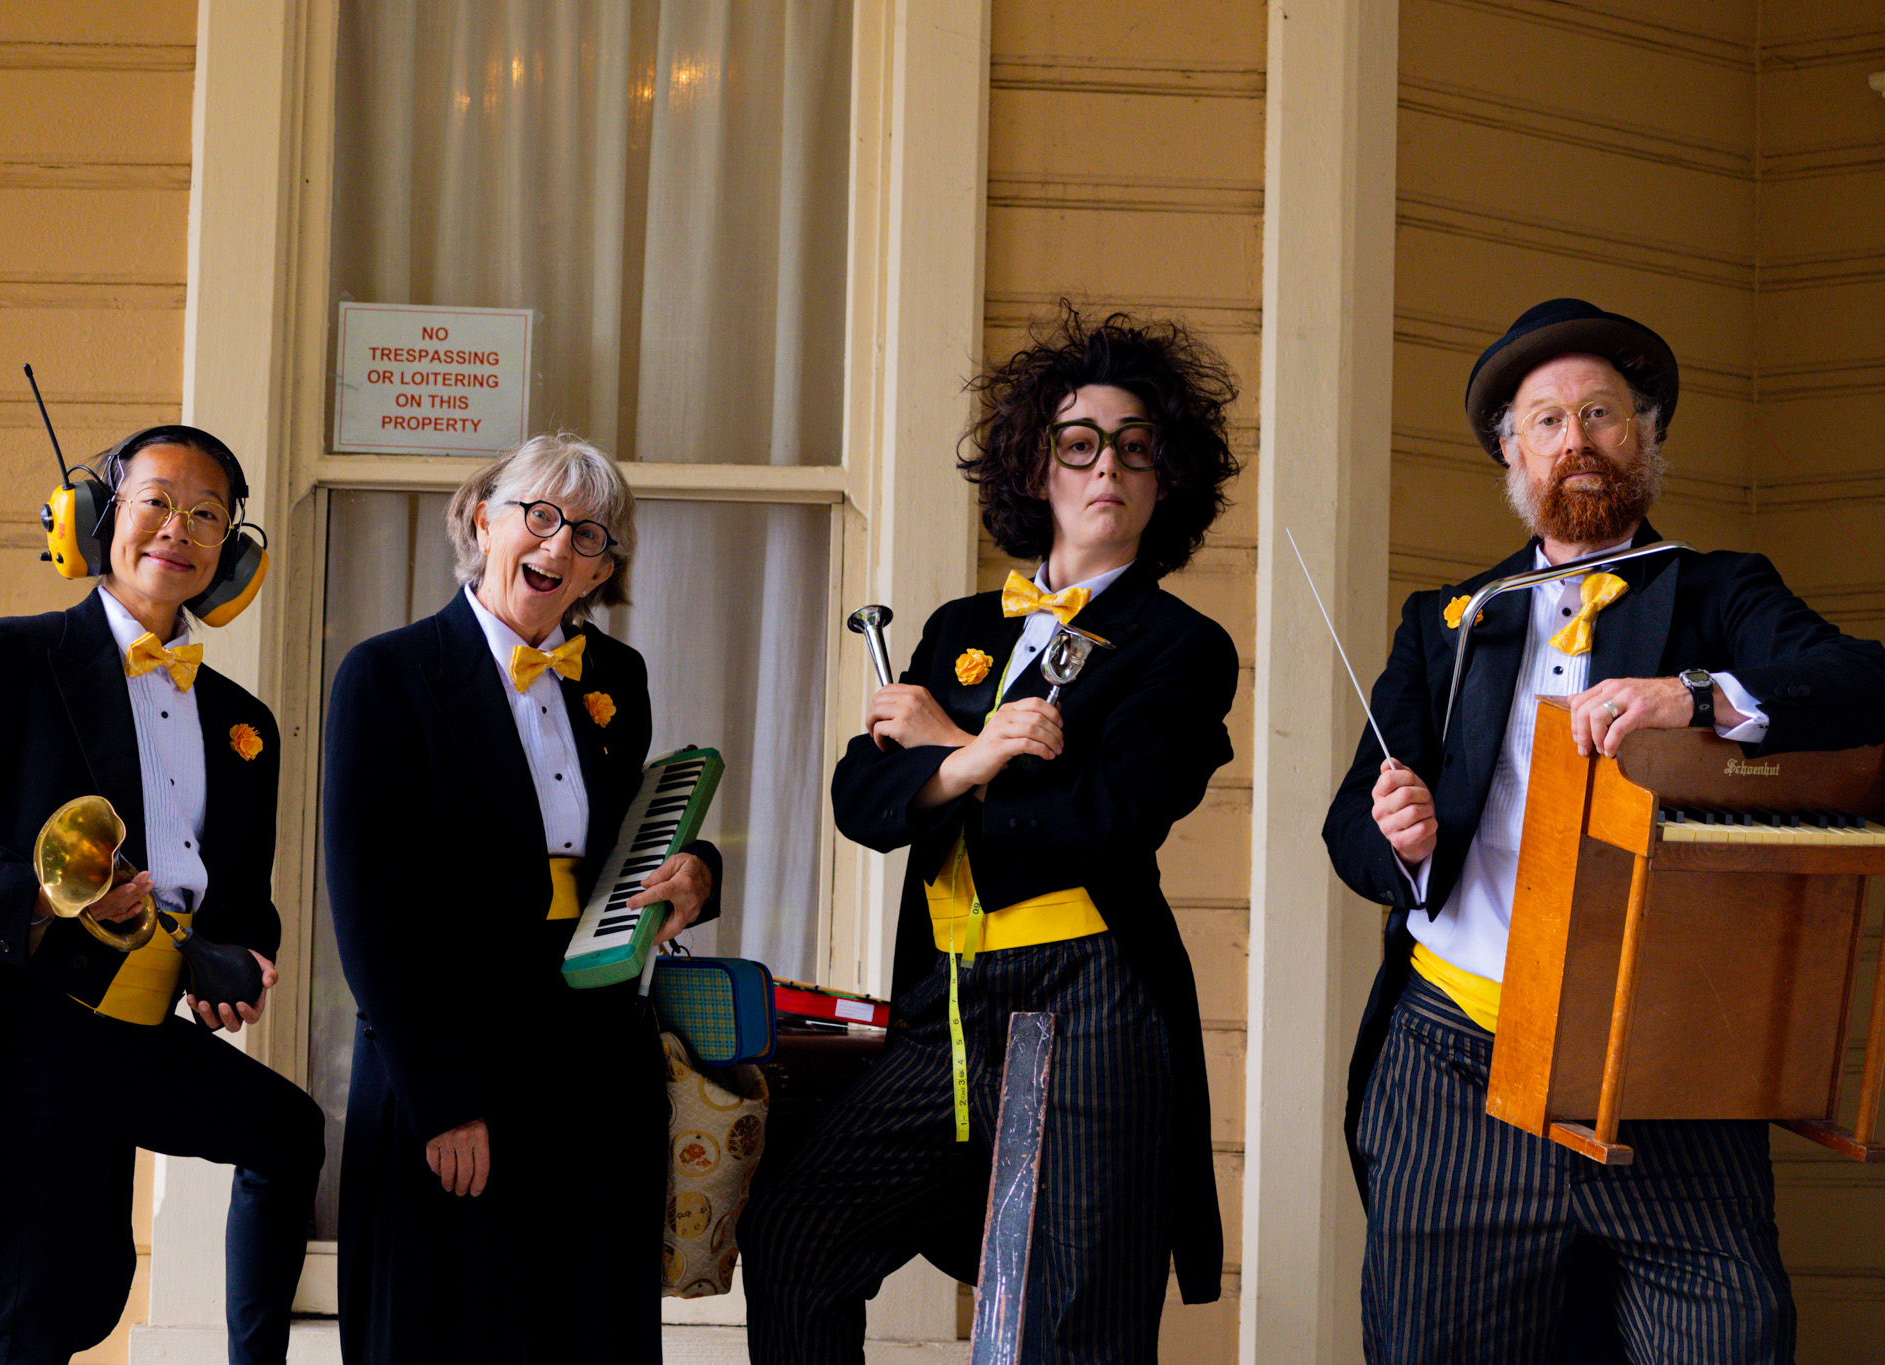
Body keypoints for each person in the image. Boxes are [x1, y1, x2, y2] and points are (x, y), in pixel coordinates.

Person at [1324, 297, 1885, 1365]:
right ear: (1511, 456)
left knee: (1729, 1339)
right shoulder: (1447, 621)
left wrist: (1696, 695)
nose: (1573, 437)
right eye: (1545, 420)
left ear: (1645, 439)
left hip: (1666, 1065)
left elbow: (1864, 684)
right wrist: (1398, 838)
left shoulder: (1716, 590)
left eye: (1600, 412)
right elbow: (1351, 827)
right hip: (1456, 1064)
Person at [741, 308, 1242, 1362]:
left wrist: (939, 753)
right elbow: (861, 805)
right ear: (1036, 469)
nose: (1107, 465)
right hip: (947, 1007)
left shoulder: (1180, 648)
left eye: (1135, 447)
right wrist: (968, 753)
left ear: (1165, 481)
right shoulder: (961, 630)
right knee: (796, 1233)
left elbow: (1099, 825)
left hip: (1091, 994)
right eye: (1078, 443)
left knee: (1074, 1323)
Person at [323, 431, 722, 1364]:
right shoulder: (386, 675)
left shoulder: (616, 679)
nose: (557, 546)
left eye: (589, 535)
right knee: (451, 1328)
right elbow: (369, 908)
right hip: (454, 1057)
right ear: (480, 519)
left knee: (587, 1325)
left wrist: (698, 870)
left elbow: (633, 839)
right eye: (538, 516)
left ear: (601, 571)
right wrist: (445, 1097)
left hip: (592, 1052)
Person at [0, 425, 324, 1365]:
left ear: (230, 552)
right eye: (156, 500)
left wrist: (236, 959)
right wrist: (47, 899)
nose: (177, 530)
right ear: (102, 515)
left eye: (207, 515)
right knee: (34, 1308)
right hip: (34, 1025)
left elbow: (241, 898)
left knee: (289, 1132)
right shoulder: (14, 657)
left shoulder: (245, 722)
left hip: (144, 1023)